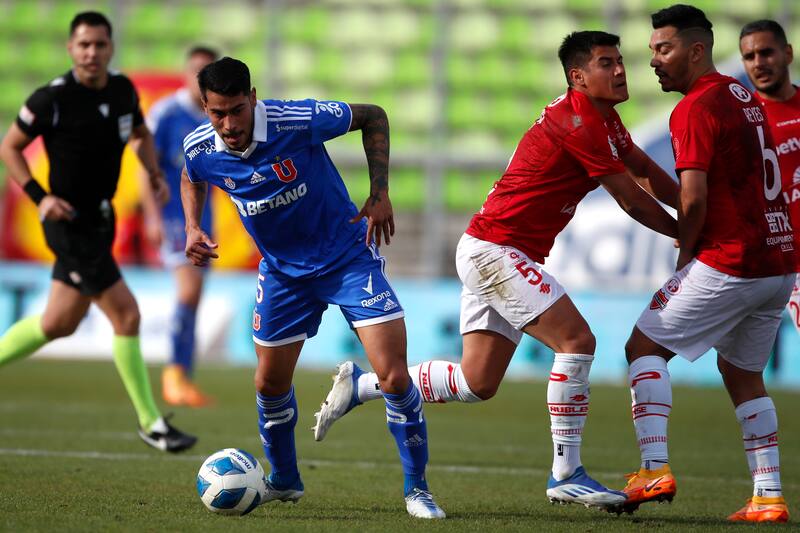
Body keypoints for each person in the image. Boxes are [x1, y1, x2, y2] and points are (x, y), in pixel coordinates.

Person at [313, 31, 679, 509]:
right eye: (606, 63)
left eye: (619, 61)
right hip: (497, 250)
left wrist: (697, 214)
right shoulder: (578, 121)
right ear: (578, 77)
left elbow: (646, 171)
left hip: (494, 249)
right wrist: (689, 234)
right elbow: (631, 199)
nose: (619, 70)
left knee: (476, 383)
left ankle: (361, 385)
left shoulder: (603, 120)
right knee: (578, 342)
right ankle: (566, 473)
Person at [181, 57, 445, 519]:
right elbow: (191, 176)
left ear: (254, 98)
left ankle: (417, 489)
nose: (228, 124)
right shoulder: (201, 147)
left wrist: (379, 192)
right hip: (282, 272)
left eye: (237, 110)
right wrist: (191, 227)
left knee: (394, 376)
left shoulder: (296, 120)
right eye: (217, 113)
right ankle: (284, 480)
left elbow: (373, 115)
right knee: (268, 381)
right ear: (205, 107)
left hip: (346, 258)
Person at [618, 5, 794, 523]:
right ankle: (768, 496)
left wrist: (686, 253)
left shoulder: (694, 107)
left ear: (697, 50)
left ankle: (653, 467)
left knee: (643, 346)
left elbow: (692, 201)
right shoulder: (744, 96)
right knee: (742, 374)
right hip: (779, 263)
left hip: (733, 260)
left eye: (664, 49)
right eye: (651, 50)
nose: (654, 60)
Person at [0, 11, 196, 453]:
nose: (92, 52)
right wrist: (39, 196)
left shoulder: (123, 90)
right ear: (71, 48)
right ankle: (151, 424)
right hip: (68, 223)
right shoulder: (51, 99)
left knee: (59, 323)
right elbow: (9, 147)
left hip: (101, 219)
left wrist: (152, 170)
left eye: (100, 45)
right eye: (84, 44)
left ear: (110, 48)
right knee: (126, 315)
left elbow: (141, 134)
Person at [144, 45, 218, 407]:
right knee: (188, 291)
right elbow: (148, 168)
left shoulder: (219, 115)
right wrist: (151, 216)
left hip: (206, 218)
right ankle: (174, 373)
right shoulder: (166, 113)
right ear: (186, 73)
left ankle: (183, 376)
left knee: (195, 297)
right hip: (174, 216)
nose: (199, 79)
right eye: (195, 71)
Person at [740, 20, 800, 345]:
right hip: (787, 265)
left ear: (787, 53)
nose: (758, 63)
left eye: (766, 52)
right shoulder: (744, 122)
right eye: (749, 56)